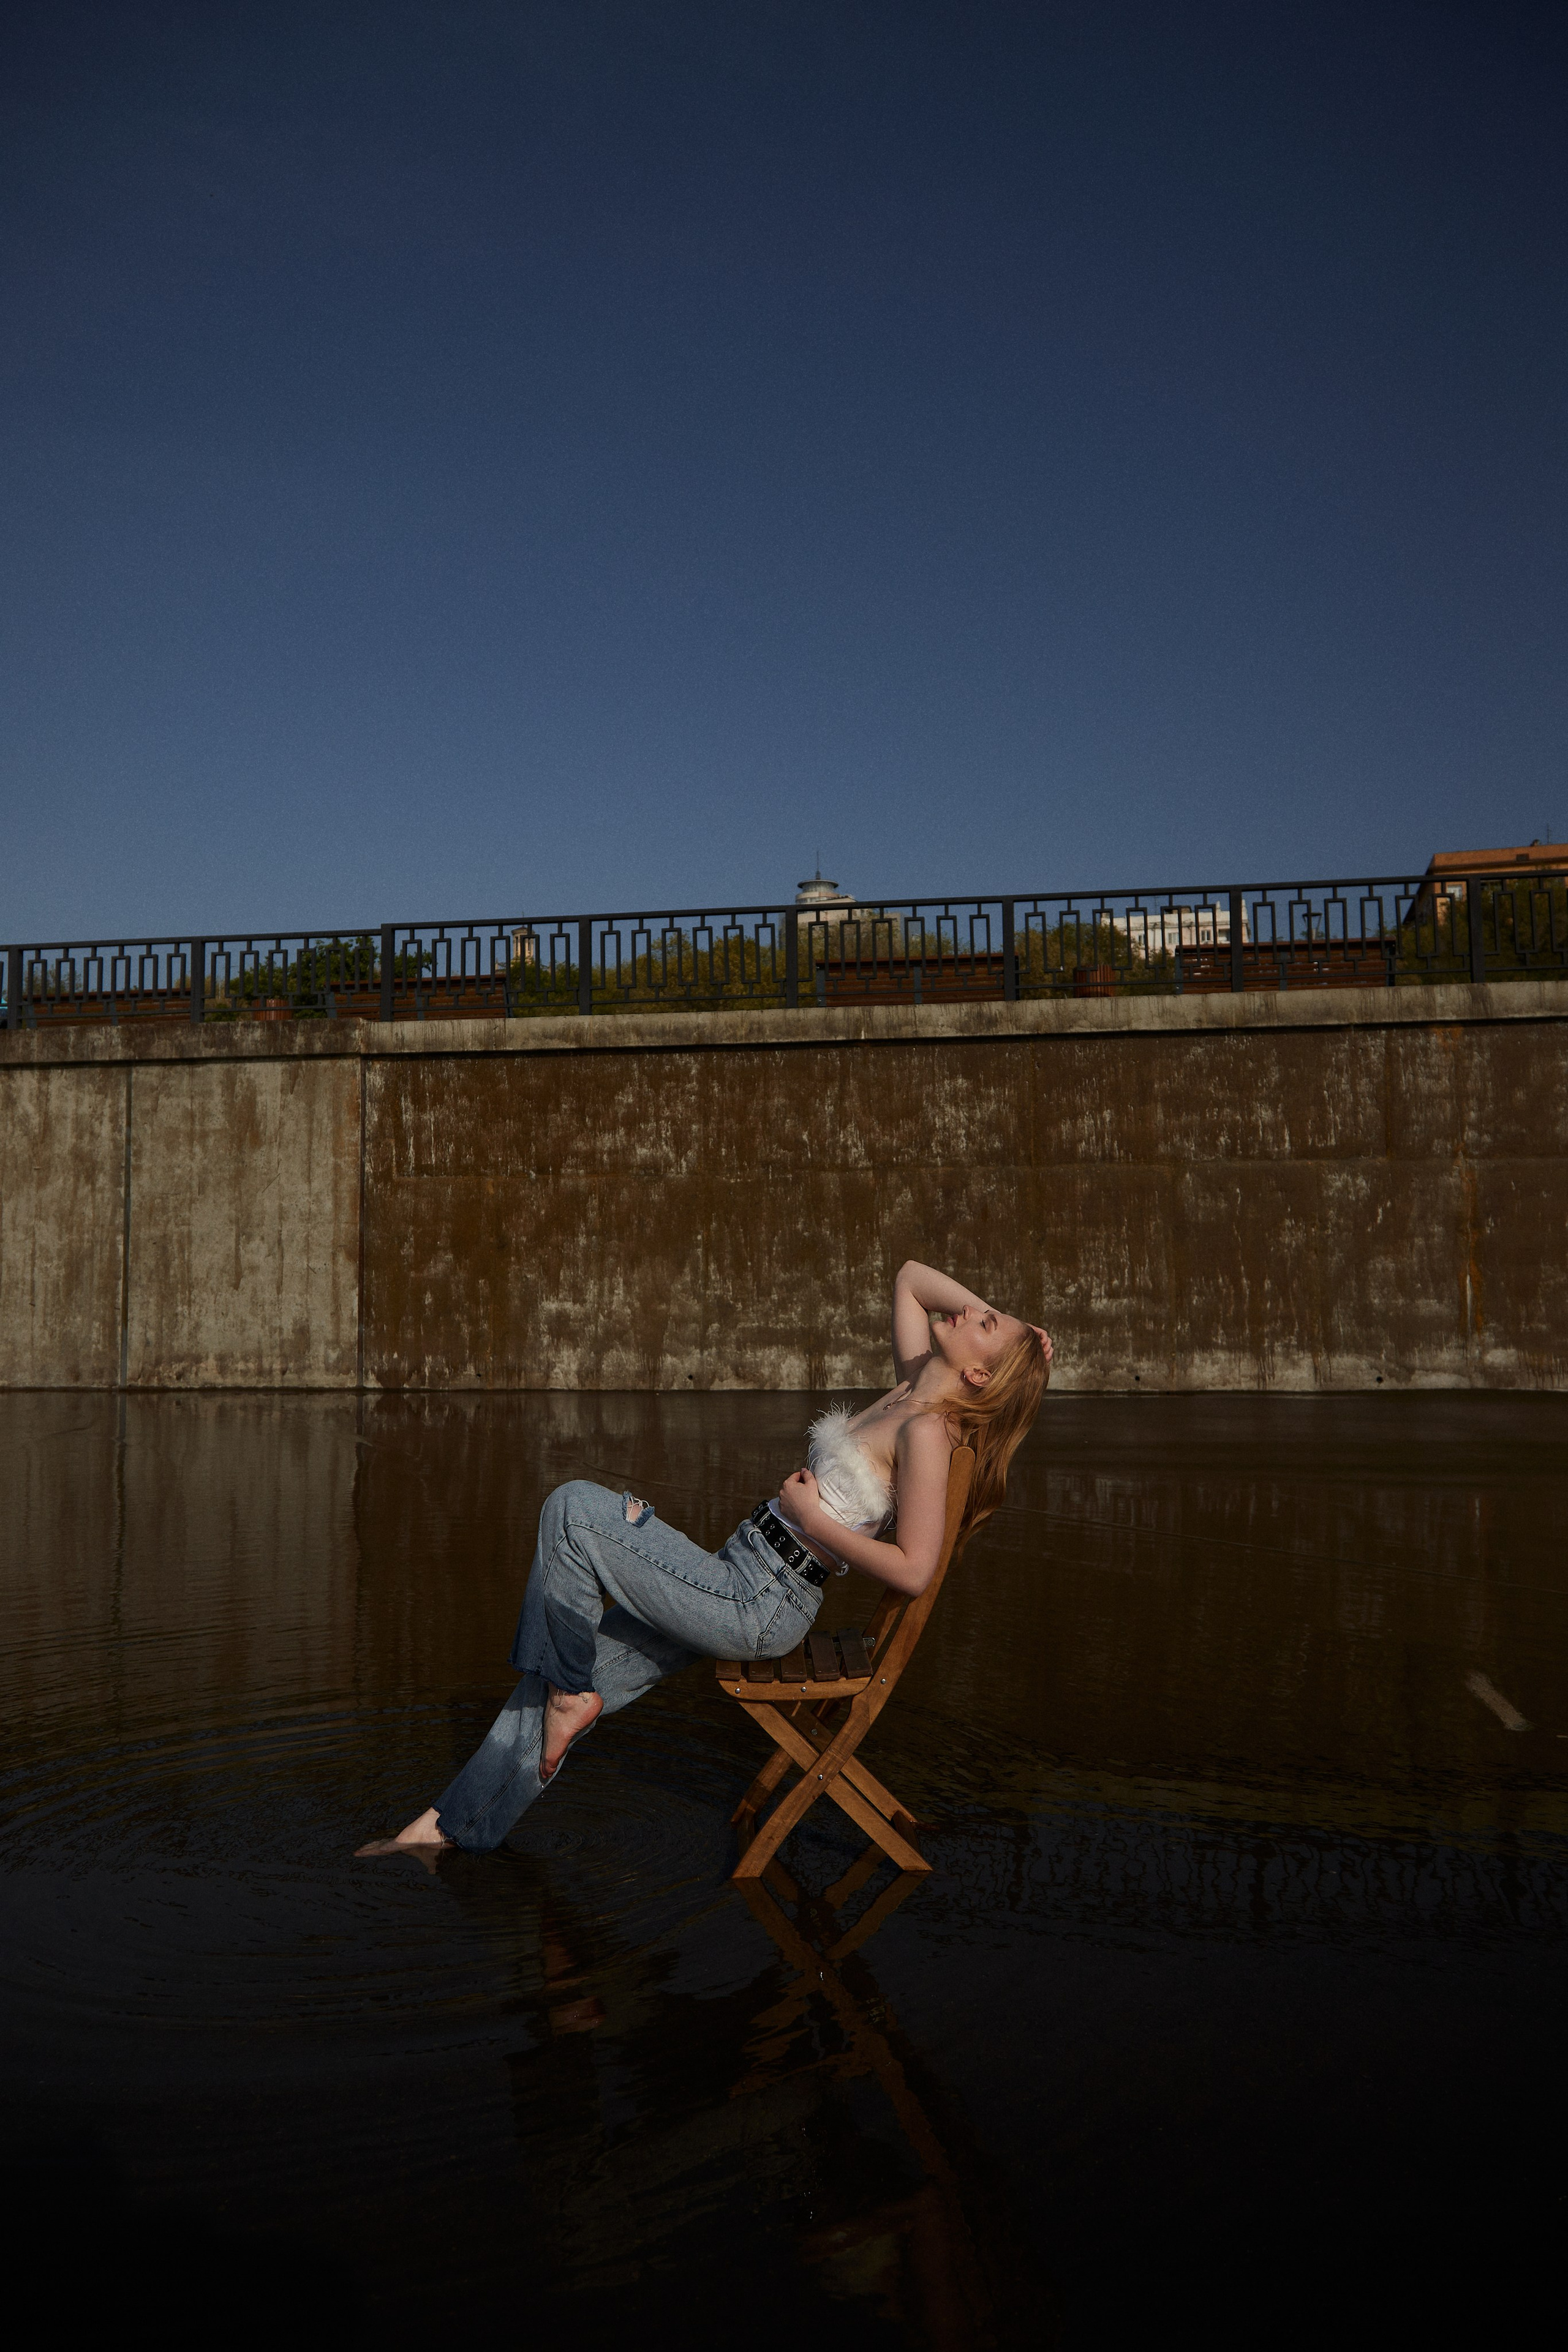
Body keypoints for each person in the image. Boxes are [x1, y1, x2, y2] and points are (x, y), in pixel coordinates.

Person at [356, 1262, 1052, 1856]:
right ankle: (443, 1830)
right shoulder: (911, 1389)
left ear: (979, 1371)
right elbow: (908, 1277)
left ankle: (569, 1695)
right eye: (980, 1307)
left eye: (984, 1321)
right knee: (558, 1675)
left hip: (759, 1601)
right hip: (737, 1572)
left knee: (571, 1509)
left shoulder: (929, 1433)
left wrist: (812, 1518)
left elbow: (915, 1568)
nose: (966, 1307)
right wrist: (1018, 1340)